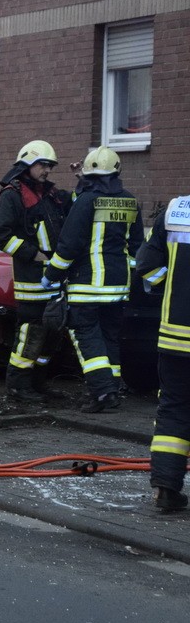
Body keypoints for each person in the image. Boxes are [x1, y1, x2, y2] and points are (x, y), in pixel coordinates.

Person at [43, 146, 144, 413]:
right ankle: (112, 388)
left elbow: (69, 244)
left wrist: (51, 274)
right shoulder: (130, 200)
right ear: (117, 171)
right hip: (118, 287)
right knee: (109, 335)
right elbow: (136, 247)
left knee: (87, 336)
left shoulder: (86, 201)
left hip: (87, 286)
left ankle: (102, 393)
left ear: (89, 174)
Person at [0, 140, 71, 403]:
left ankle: (37, 384)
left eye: (49, 166)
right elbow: (0, 235)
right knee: (30, 335)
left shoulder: (49, 194)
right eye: (42, 165)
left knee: (51, 337)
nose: (47, 170)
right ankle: (18, 386)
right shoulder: (13, 194)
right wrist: (31, 254)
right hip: (31, 281)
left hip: (53, 280)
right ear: (27, 163)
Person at [137, 195, 190, 510]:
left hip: (175, 338)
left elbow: (145, 265)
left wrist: (168, 286)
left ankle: (165, 490)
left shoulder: (176, 211)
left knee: (173, 410)